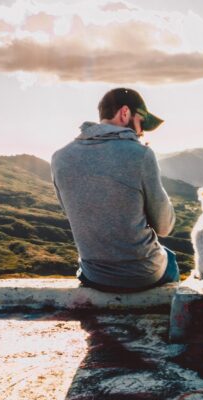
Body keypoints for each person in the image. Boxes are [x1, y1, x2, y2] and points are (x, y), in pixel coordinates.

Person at [51, 88, 179, 292]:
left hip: (93, 275)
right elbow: (164, 226)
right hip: (142, 274)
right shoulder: (141, 154)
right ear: (125, 113)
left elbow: (74, 212)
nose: (141, 132)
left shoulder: (59, 158)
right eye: (141, 124)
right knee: (170, 258)